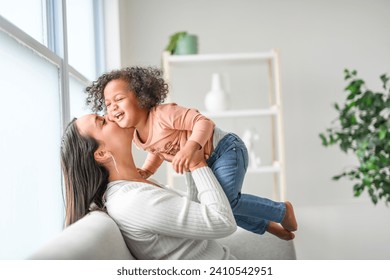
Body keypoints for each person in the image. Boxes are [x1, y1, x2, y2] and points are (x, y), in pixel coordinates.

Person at [85, 66, 298, 240]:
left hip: (224, 149)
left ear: (141, 96)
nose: (112, 108)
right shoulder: (136, 136)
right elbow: (157, 150)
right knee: (218, 205)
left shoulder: (163, 114)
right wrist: (148, 169)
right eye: (108, 104)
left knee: (227, 202)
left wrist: (190, 147)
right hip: (204, 162)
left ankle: (280, 210)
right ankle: (266, 225)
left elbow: (203, 122)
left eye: (119, 99)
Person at [60, 114, 237, 259]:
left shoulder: (137, 185)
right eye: (103, 121)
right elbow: (223, 222)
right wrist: (197, 165)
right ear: (102, 153)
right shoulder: (132, 201)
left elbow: (195, 213)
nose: (112, 115)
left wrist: (187, 155)